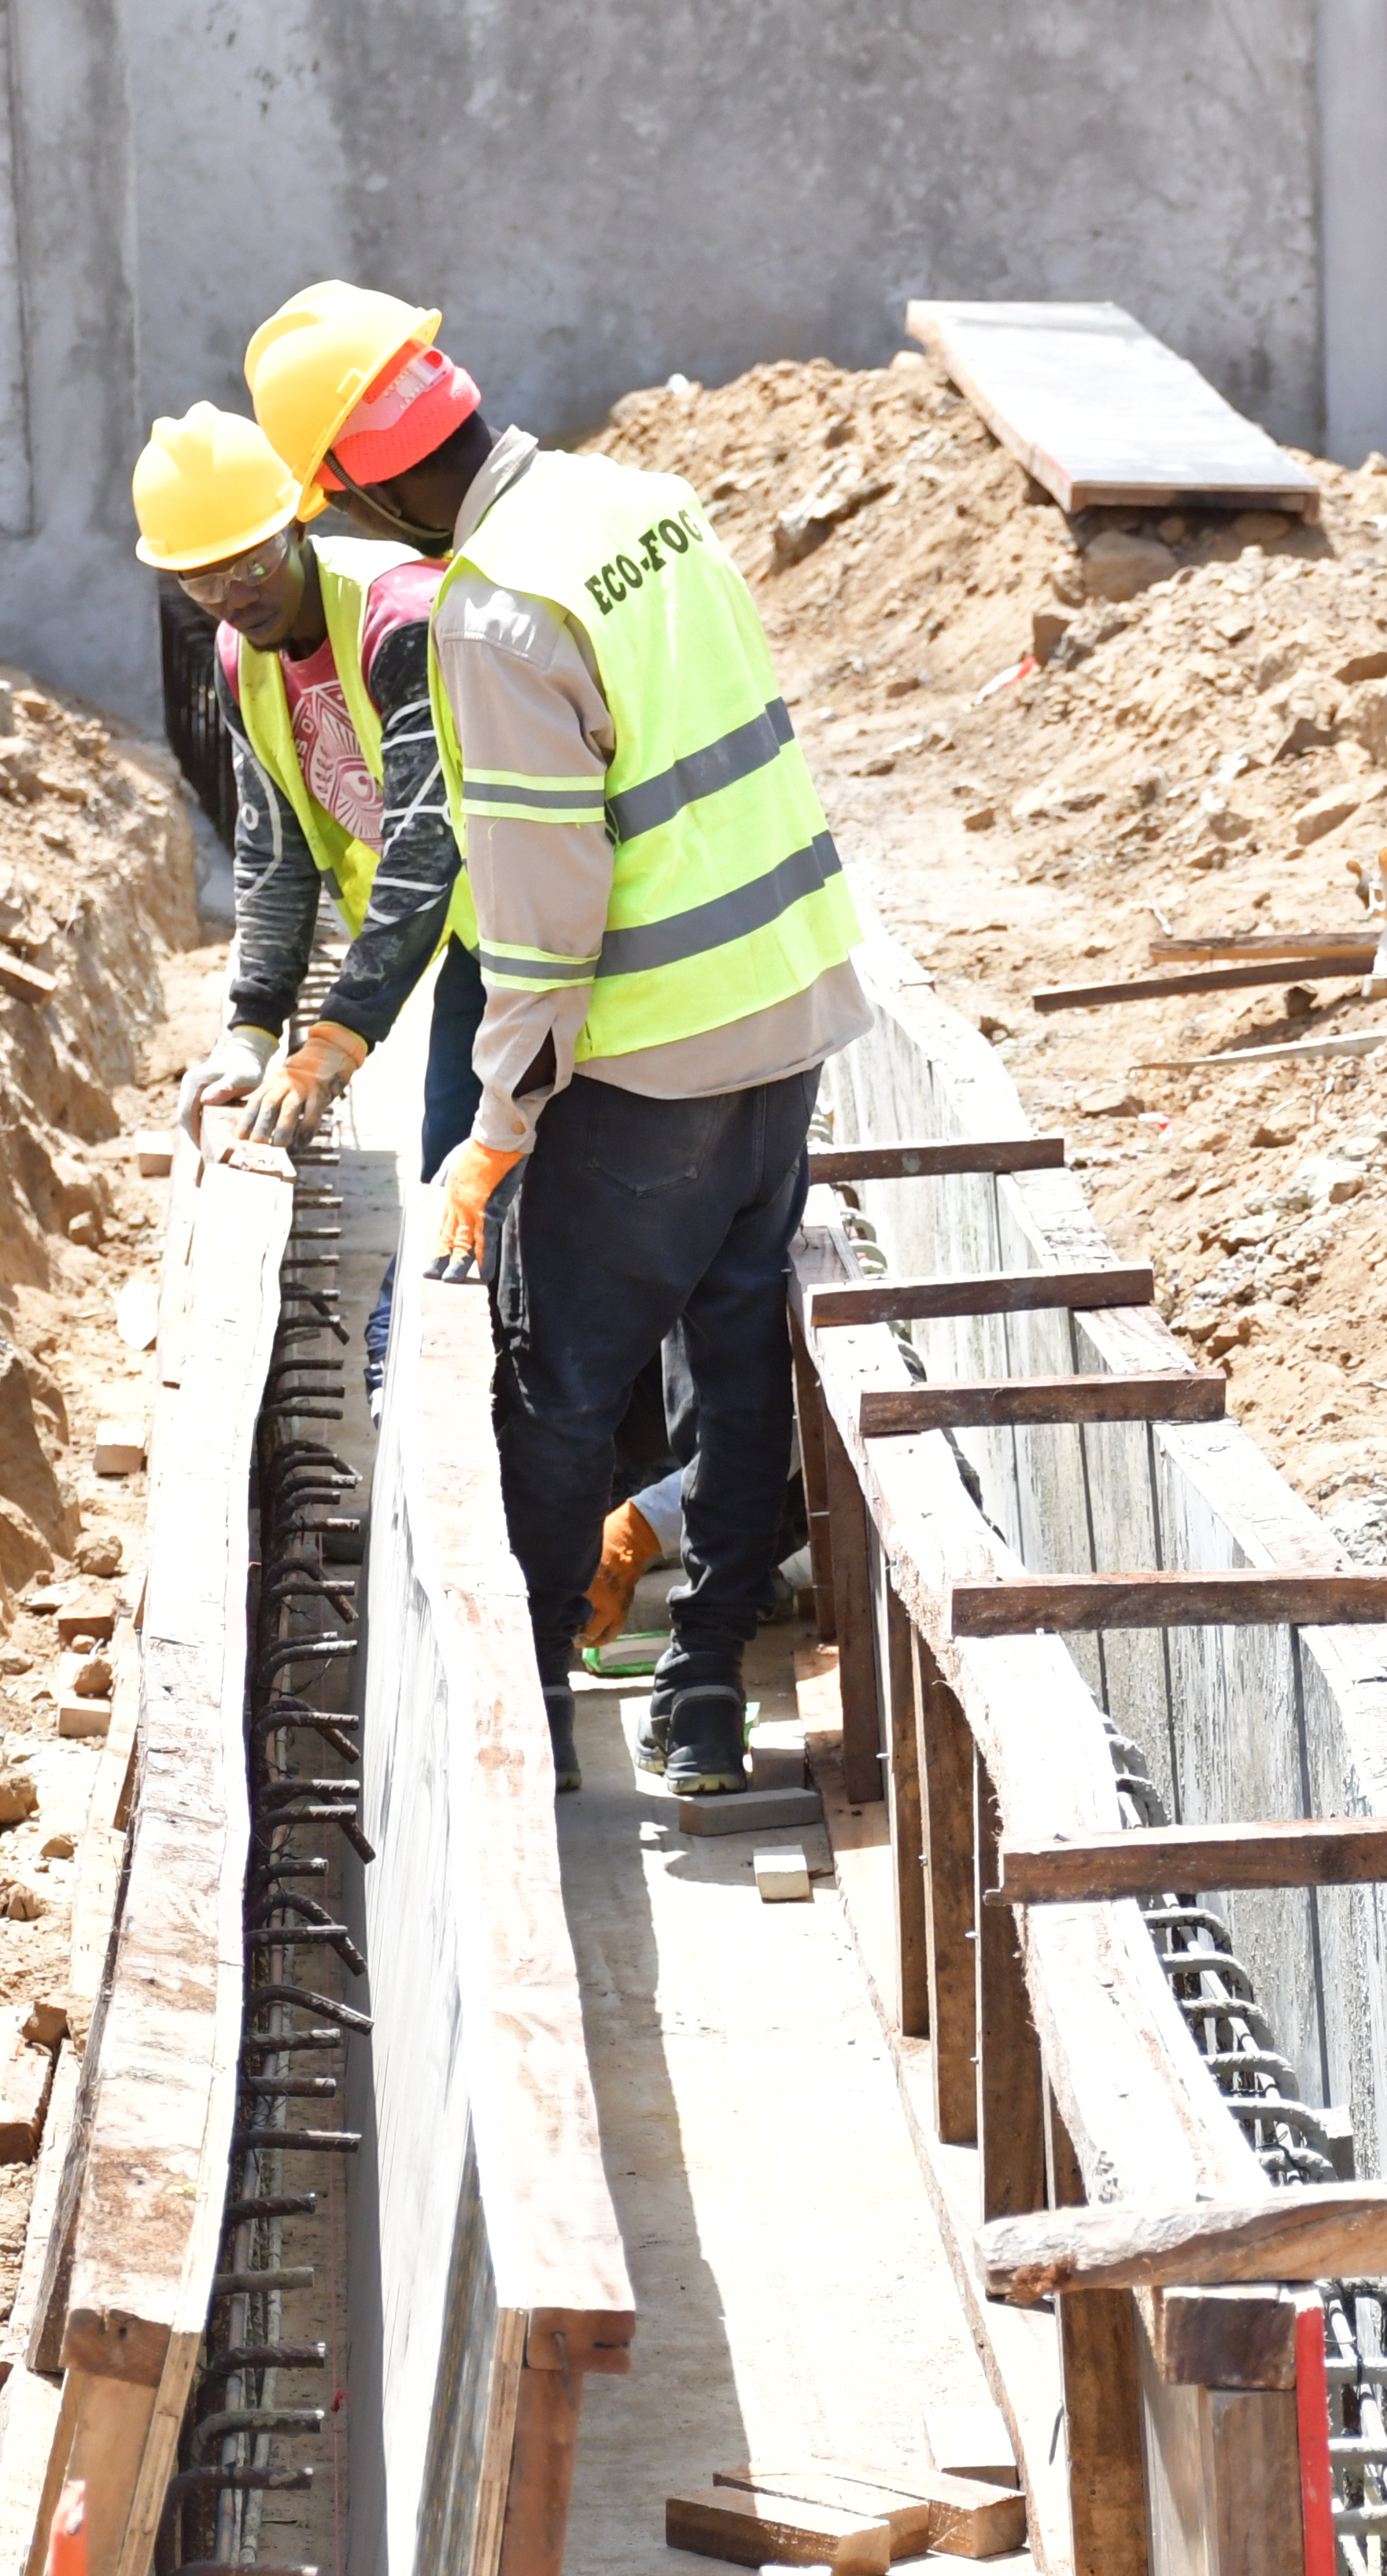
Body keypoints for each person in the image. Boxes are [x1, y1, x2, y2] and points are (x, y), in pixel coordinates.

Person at [247, 285, 870, 1797]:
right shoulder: (646, 505)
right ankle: (704, 1683)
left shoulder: (492, 614)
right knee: (738, 1356)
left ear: (366, 484)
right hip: (785, 1000)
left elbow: (538, 917)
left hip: (647, 1056)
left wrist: (497, 1127)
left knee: (558, 1383)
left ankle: (528, 1694)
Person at [129, 402, 485, 1164]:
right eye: (204, 581)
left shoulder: (400, 619)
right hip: (479, 934)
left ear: (297, 524)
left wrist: (336, 1038)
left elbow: (426, 842)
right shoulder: (240, 658)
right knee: (452, 1169)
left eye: (254, 563)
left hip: (555, 921)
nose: (236, 596)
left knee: (491, 1177)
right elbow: (273, 848)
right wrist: (254, 1028)